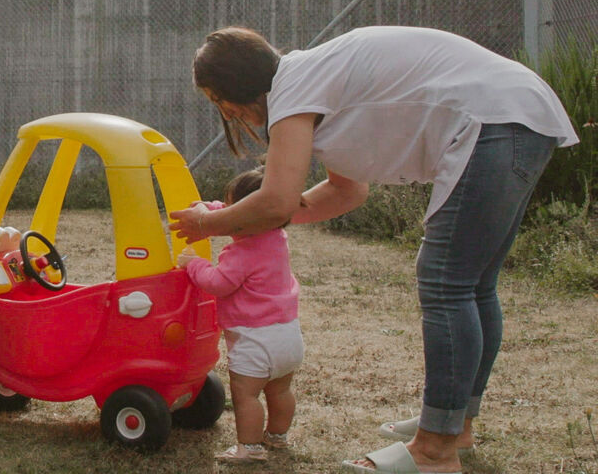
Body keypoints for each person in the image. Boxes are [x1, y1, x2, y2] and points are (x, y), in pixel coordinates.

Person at [167, 26, 578, 474]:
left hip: (493, 120)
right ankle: (454, 426)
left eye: (218, 101)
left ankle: (435, 451)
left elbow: (277, 200)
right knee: (473, 286)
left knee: (446, 283)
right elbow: (346, 192)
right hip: (516, 112)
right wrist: (254, 224)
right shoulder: (312, 85)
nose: (226, 112)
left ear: (230, 91)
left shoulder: (291, 87)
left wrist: (210, 223)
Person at [176, 166, 303, 464]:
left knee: (246, 394)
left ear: (247, 217)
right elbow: (238, 214)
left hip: (255, 338)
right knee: (280, 389)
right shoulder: (276, 236)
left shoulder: (242, 253)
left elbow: (218, 284)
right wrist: (207, 210)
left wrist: (193, 265)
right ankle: (277, 436)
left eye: (233, 208)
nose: (227, 213)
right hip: (288, 335)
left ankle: (250, 447)